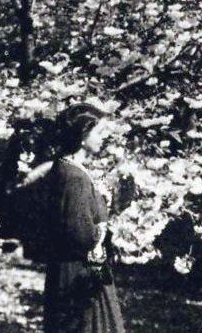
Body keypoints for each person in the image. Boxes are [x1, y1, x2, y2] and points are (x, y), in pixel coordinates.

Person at [42, 103, 126, 333]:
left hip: (70, 270)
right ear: (82, 136)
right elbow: (80, 233)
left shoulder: (66, 168)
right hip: (79, 275)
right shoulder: (74, 177)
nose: (103, 138)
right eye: (98, 133)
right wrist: (102, 233)